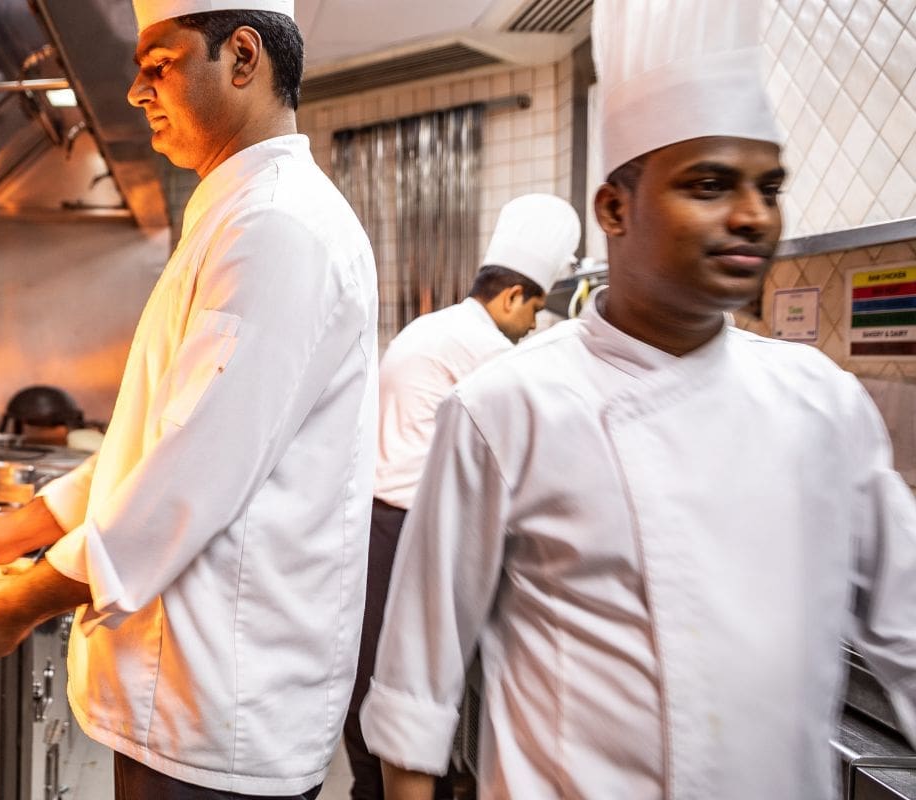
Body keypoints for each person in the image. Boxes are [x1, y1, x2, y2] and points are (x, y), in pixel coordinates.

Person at [361, 1, 916, 798]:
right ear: (615, 210)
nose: (753, 215)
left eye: (770, 185)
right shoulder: (506, 407)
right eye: (710, 183)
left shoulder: (825, 406)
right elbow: (416, 694)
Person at [0, 0, 379, 796]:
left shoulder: (278, 228)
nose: (136, 92)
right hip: (189, 700)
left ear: (241, 58)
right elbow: (158, 441)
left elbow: (190, 477)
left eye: (157, 64)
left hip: (217, 713)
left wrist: (24, 601)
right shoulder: (235, 214)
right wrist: (12, 531)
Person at [342, 193, 580, 799]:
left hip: (378, 525)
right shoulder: (489, 351)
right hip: (403, 533)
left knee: (377, 683)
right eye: (533, 312)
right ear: (511, 297)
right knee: (408, 695)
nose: (532, 327)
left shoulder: (436, 326)